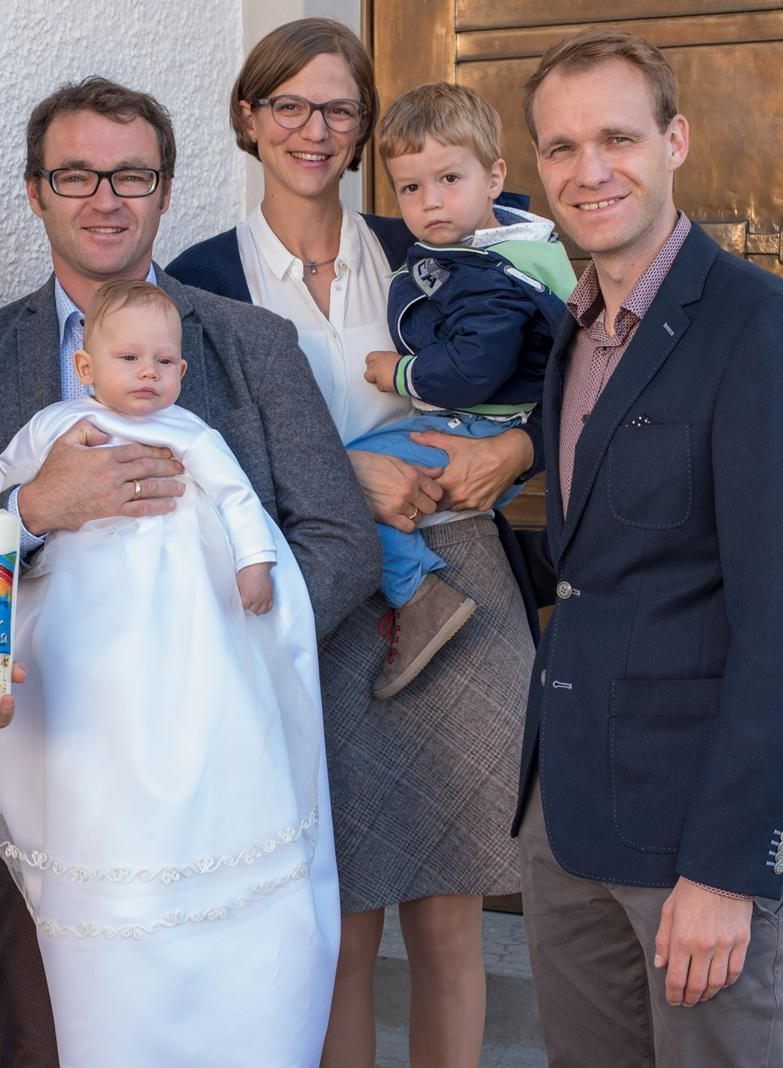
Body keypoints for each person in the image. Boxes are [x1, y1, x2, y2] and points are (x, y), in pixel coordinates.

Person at [0, 77, 376, 1066]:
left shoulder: (247, 343)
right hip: (56, 771)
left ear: (165, 192)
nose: (105, 198)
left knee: (237, 1029)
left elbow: (338, 536)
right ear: (34, 192)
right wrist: (37, 510)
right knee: (53, 1039)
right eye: (74, 174)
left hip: (226, 779)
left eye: (132, 174)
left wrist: (226, 670)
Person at [168, 19, 538, 1067]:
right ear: (247, 118)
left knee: (450, 909)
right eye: (287, 104)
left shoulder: (428, 240)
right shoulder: (200, 279)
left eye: (337, 108)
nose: (312, 129)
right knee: (334, 916)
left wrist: (517, 448)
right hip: (310, 595)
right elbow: (193, 451)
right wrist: (341, 474)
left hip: (457, 591)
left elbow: (554, 363)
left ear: (366, 128)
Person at [512, 28, 783, 1067]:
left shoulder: (763, 328)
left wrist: (726, 868)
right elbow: (601, 562)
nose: (588, 170)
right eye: (560, 148)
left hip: (696, 837)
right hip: (566, 822)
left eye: (616, 138)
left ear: (674, 141)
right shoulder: (572, 329)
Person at [0, 279, 336, 1065]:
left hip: (190, 639)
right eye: (129, 357)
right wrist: (31, 505)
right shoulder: (54, 426)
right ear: (85, 364)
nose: (148, 373)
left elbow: (241, 500)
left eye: (164, 361)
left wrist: (254, 562)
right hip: (86, 639)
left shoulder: (192, 430)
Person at [354, 82, 575, 699]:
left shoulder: (486, 273)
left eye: (450, 179)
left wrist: (395, 373)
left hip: (475, 423)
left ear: (494, 177)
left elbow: (472, 369)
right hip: (491, 424)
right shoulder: (510, 246)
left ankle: (416, 594)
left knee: (341, 474)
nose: (431, 203)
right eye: (411, 188)